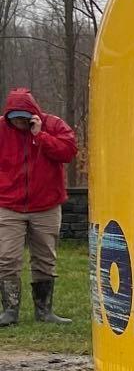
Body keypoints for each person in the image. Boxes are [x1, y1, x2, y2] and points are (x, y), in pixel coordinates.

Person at [0, 88, 79, 327]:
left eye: (25, 118)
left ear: (33, 114)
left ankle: (44, 311)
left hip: (46, 205)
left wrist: (40, 135)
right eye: (15, 119)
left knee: (45, 258)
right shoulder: (1, 130)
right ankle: (10, 311)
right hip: (8, 204)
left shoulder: (53, 125)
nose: (21, 123)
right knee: (6, 258)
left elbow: (68, 152)